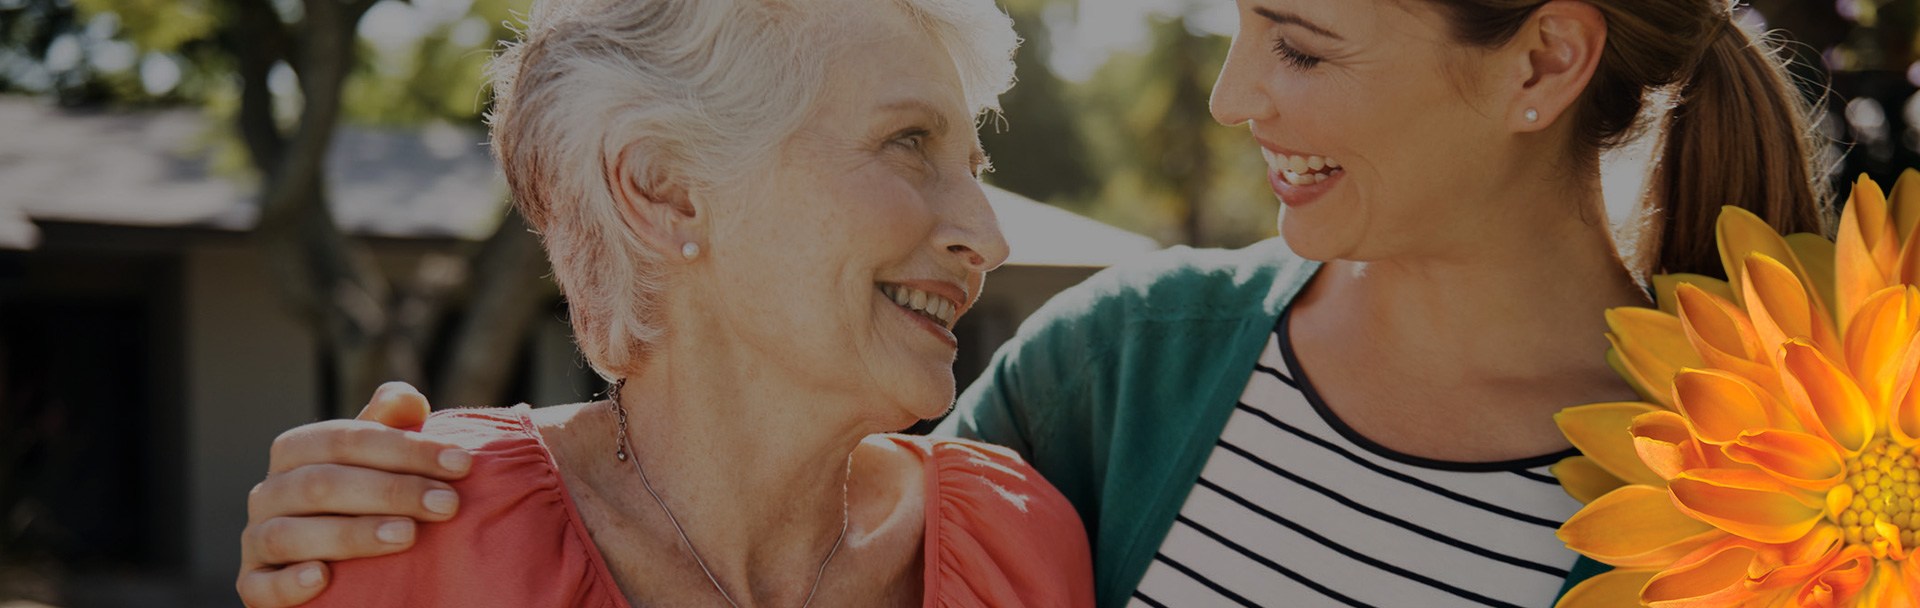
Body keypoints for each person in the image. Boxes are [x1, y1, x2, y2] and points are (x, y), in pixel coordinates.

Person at [237, 0, 1829, 606]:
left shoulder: (1786, 500)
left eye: (1304, 45)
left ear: (1545, 63)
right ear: (667, 191)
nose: (1227, 98)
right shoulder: (1125, 369)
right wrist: (361, 514)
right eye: (909, 145)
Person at [234, 0, 1098, 605]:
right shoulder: (413, 533)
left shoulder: (1016, 546)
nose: (986, 236)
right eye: (909, 142)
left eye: (975, 174)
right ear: (665, 191)